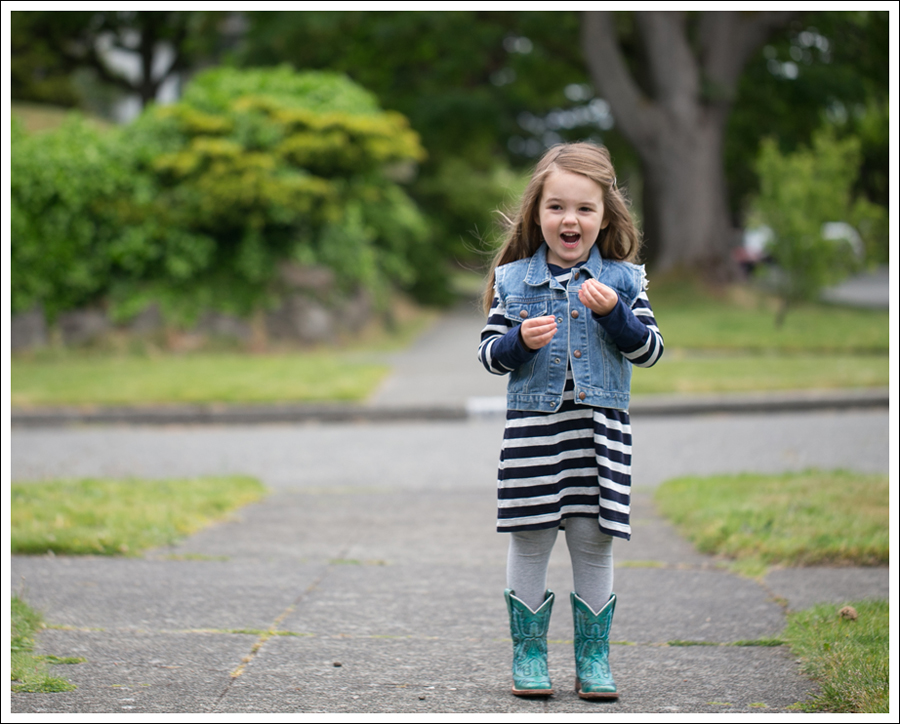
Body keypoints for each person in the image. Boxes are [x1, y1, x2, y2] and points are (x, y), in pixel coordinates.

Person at [477, 142, 663, 700]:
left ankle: (593, 658)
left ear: (604, 216)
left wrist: (615, 316)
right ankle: (529, 654)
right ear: (537, 213)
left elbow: (650, 351)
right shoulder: (514, 281)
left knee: (593, 542)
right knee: (530, 539)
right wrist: (518, 341)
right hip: (534, 435)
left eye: (584, 208)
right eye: (556, 207)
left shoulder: (625, 282)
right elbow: (489, 355)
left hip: (598, 438)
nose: (570, 219)